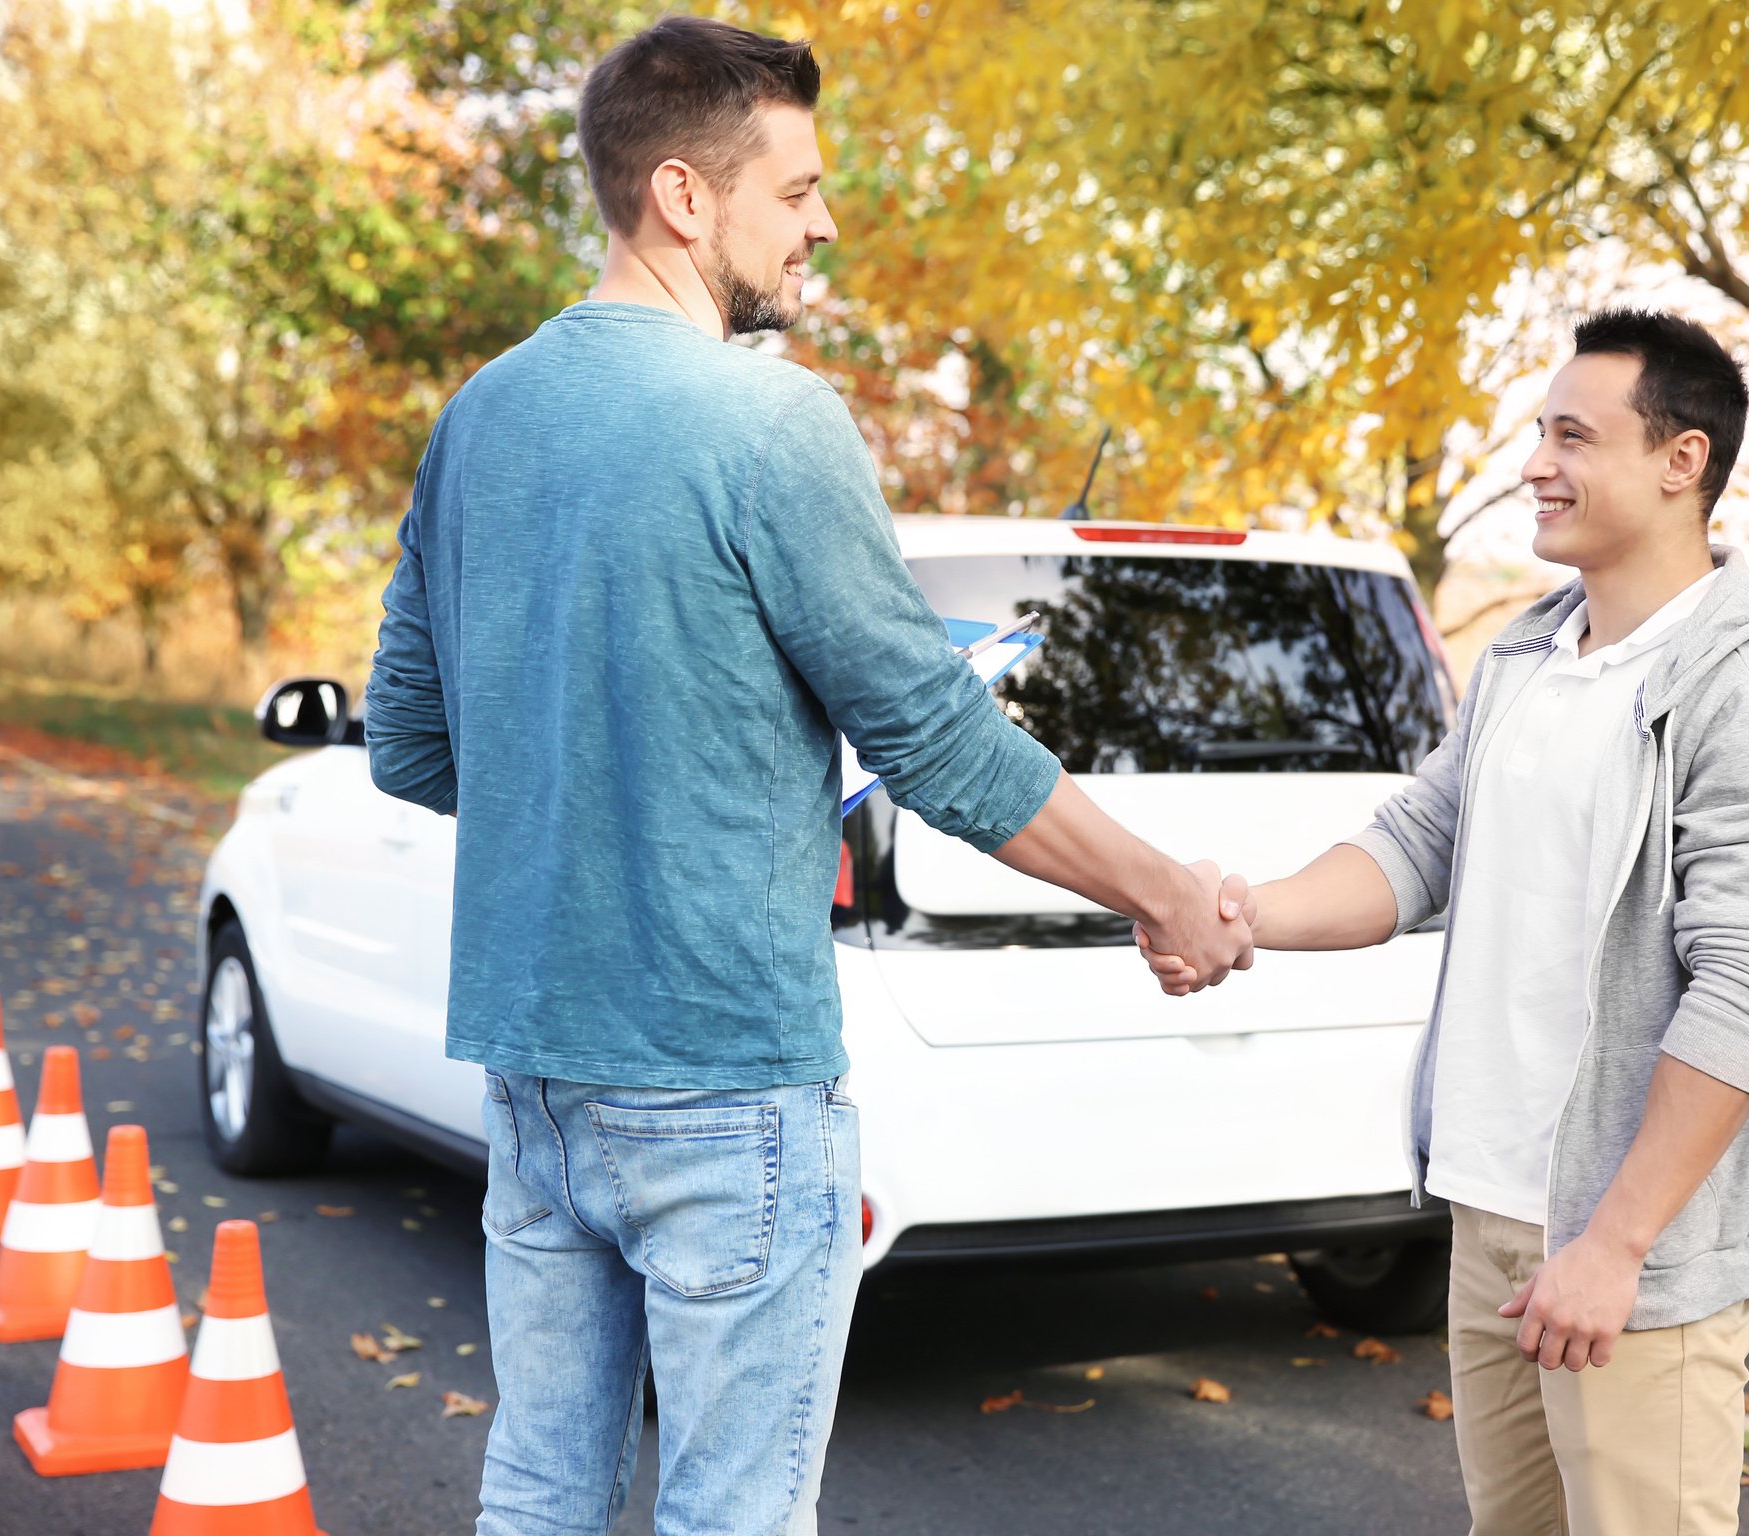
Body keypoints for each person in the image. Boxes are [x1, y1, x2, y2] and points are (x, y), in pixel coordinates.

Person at [362, 17, 1250, 1535]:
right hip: (725, 1078)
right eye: (798, 191)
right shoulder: (773, 421)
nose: (825, 223)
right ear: (683, 197)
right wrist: (1162, 891)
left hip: (536, 1076)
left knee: (539, 1496)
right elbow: (940, 737)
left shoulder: (477, 422)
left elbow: (413, 743)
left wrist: (608, 771)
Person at [1141, 309, 1749, 1534]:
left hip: (1625, 1243)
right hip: (1490, 1210)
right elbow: (1419, 843)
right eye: (1540, 431)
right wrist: (1241, 913)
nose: (1535, 463)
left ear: (1679, 461)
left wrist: (1617, 1244)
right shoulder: (1529, 659)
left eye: (1573, 436)